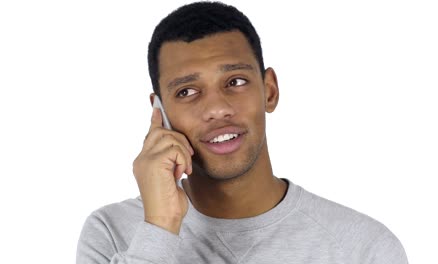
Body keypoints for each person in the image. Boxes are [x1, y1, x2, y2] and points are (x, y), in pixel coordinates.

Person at [76, 2, 408, 263]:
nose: (217, 108)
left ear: (270, 90)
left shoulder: (363, 249)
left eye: (235, 82)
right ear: (158, 112)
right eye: (187, 91)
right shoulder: (115, 233)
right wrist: (160, 224)